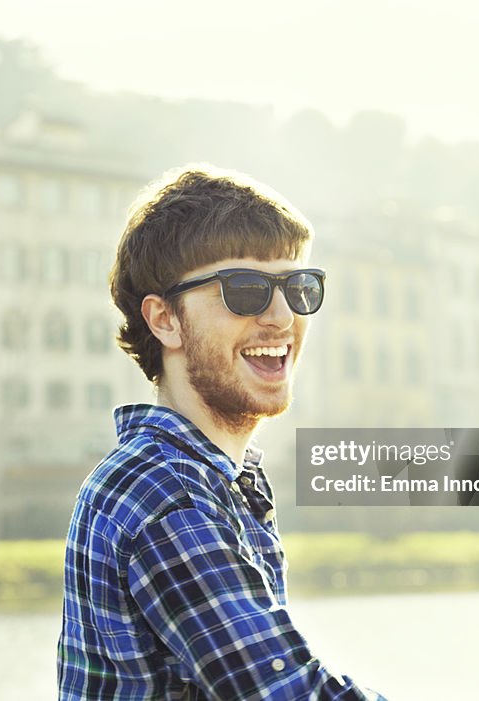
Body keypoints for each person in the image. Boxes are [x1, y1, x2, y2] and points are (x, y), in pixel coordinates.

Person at [58, 166, 387, 700]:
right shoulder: (166, 493)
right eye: (247, 290)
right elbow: (288, 693)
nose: (283, 317)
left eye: (299, 287)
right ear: (164, 319)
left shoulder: (217, 478)